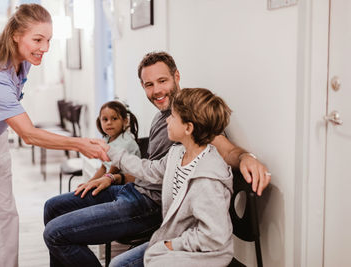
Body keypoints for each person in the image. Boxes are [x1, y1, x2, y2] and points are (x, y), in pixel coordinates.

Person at [43, 51, 271, 267]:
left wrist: (246, 157)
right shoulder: (168, 126)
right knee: (52, 207)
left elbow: (226, 149)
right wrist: (113, 176)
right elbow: (152, 168)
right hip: (133, 189)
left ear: (176, 76)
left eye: (162, 81)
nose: (157, 90)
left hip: (149, 204)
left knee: (56, 234)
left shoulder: (192, 116)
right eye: (149, 85)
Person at [0, 4, 107, 267]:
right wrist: (80, 144)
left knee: (6, 217)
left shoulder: (22, 64)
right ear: (15, 35)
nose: (45, 48)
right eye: (37, 39)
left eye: (48, 40)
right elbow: (28, 134)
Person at [105, 87, 234, 267]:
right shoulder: (177, 153)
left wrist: (171, 245)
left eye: (173, 116)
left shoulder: (207, 178)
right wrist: (112, 153)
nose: (167, 119)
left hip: (203, 252)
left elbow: (213, 237)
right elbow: (149, 170)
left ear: (188, 128)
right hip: (176, 241)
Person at [75, 100, 141, 198]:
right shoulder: (107, 140)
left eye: (114, 118)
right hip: (111, 180)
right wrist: (89, 183)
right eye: (105, 119)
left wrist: (99, 181)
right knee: (83, 192)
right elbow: (103, 167)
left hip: (126, 187)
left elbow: (114, 168)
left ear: (125, 121)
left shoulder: (126, 141)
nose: (109, 123)